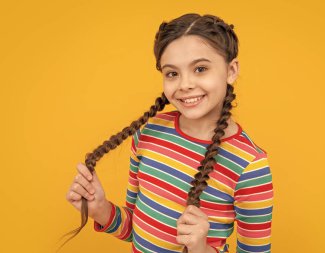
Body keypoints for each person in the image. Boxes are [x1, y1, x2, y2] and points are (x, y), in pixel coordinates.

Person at [66, 13, 274, 253]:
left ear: (231, 71)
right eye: (172, 73)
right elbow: (136, 231)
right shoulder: (148, 133)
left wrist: (200, 248)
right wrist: (100, 209)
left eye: (200, 68)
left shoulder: (250, 165)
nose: (185, 84)